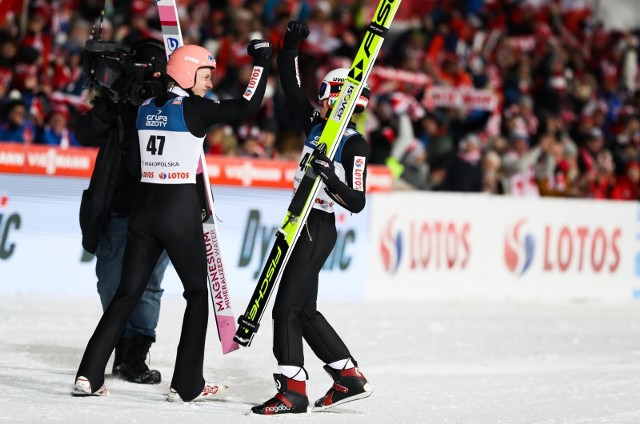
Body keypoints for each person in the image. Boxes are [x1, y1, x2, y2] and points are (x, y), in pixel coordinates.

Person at [72, 38, 272, 401]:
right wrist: (262, 61)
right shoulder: (196, 110)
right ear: (186, 72)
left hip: (143, 208)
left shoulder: (145, 106)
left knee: (126, 293)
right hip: (177, 208)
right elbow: (250, 104)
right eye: (205, 74)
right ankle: (187, 384)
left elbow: (133, 164)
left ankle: (88, 374)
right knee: (197, 294)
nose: (210, 82)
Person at [250, 21, 372, 415]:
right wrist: (291, 48)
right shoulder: (316, 127)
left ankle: (293, 389)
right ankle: (347, 375)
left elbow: (356, 200)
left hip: (317, 227)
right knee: (303, 310)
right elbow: (289, 89)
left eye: (325, 97)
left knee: (285, 310)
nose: (318, 103)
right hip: (301, 225)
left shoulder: (354, 143)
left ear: (338, 98)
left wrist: (329, 173)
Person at [76, 38, 170, 385]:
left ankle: (135, 353)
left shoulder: (174, 102)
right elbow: (84, 133)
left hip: (157, 209)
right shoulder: (116, 98)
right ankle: (119, 340)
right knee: (111, 282)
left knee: (149, 285)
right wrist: (112, 100)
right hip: (116, 206)